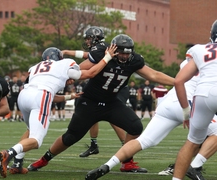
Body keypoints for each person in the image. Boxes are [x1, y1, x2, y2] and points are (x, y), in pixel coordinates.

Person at [26, 34, 174, 175]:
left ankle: (127, 161)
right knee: (71, 136)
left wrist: (177, 82)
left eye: (127, 54)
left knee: (135, 127)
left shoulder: (134, 60)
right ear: (114, 49)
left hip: (111, 102)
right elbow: (81, 69)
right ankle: (44, 159)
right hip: (90, 102)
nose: (124, 56)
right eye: (121, 53)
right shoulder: (101, 54)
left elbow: (154, 75)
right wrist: (67, 78)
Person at [0, 44, 118, 178]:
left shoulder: (35, 68)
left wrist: (68, 96)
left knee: (29, 129)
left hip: (24, 95)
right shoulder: (64, 64)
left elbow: (48, 91)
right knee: (36, 139)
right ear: (59, 57)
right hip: (40, 95)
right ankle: (9, 153)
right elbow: (90, 73)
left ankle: (17, 165)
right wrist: (107, 58)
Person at [62, 26, 127, 159]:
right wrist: (68, 52)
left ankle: (127, 149)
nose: (86, 42)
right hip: (109, 85)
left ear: (94, 38)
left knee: (113, 117)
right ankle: (94, 145)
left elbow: (85, 66)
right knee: (92, 111)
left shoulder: (99, 48)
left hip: (116, 87)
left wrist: (67, 75)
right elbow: (87, 55)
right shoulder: (101, 48)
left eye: (88, 39)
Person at [172, 20, 217, 180]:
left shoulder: (200, 49)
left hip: (202, 95)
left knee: (192, 142)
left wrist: (186, 111)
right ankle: (195, 165)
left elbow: (178, 81)